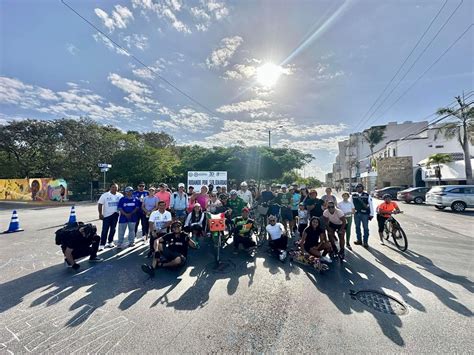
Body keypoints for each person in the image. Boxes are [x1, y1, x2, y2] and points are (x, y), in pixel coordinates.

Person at [98, 183, 123, 250]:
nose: (114, 189)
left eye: (116, 187)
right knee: (105, 230)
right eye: (113, 187)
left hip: (115, 215)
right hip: (107, 215)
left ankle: (110, 242)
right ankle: (102, 244)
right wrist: (100, 214)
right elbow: (100, 204)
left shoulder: (120, 195)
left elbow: (123, 204)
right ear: (110, 188)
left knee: (113, 229)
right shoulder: (105, 195)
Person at [352, 183, 374, 248]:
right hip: (356, 214)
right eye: (357, 187)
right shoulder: (353, 196)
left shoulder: (367, 195)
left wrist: (371, 214)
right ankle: (359, 240)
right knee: (357, 227)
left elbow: (371, 205)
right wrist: (353, 212)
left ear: (362, 188)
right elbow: (352, 204)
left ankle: (365, 242)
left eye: (360, 187)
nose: (358, 188)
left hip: (365, 214)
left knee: (366, 228)